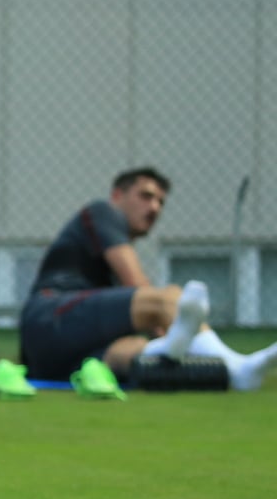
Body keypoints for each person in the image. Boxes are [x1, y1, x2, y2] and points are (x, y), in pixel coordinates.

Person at [20, 167, 277, 389]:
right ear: (117, 196)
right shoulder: (103, 212)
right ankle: (236, 367)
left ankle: (169, 349)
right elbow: (137, 285)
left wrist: (172, 340)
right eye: (145, 196)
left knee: (132, 349)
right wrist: (170, 320)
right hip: (49, 315)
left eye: (160, 202)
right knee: (169, 299)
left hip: (51, 361)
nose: (154, 207)